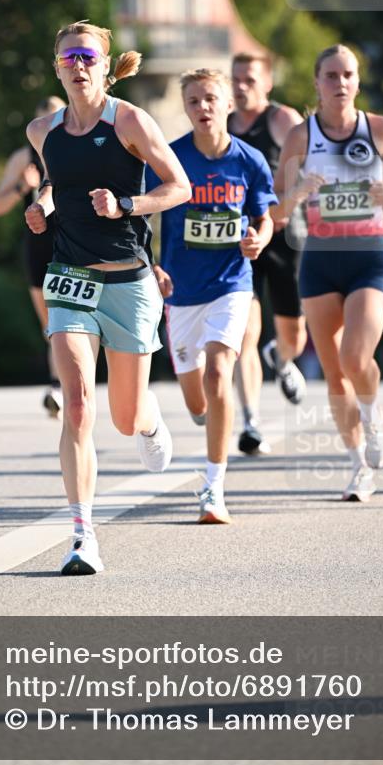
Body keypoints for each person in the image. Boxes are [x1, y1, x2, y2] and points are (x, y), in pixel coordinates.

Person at [25, 20, 191, 575]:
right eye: (69, 57)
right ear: (57, 68)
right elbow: (57, 180)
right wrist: (43, 206)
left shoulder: (130, 121)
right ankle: (82, 536)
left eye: (88, 57)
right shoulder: (41, 131)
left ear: (104, 65)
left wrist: (126, 205)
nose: (78, 65)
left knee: (124, 417)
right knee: (76, 405)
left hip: (128, 282)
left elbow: (179, 186)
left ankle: (149, 420)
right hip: (69, 276)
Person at [274, 44, 383, 502]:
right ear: (317, 83)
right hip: (319, 261)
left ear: (358, 82)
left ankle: (374, 417)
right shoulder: (301, 136)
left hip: (368, 256)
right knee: (336, 375)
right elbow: (276, 210)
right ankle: (359, 467)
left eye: (348, 74)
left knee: (356, 358)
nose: (340, 82)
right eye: (331, 75)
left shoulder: (379, 128)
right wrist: (299, 191)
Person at [148, 69, 276, 524]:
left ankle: (213, 487)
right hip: (181, 290)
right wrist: (152, 265)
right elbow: (141, 216)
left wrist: (259, 238)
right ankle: (200, 415)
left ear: (228, 105)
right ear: (185, 108)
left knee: (220, 372)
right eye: (193, 101)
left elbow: (264, 217)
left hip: (231, 283)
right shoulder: (171, 158)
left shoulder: (250, 160)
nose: (203, 107)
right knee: (197, 401)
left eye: (210, 99)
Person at [229, 52, 307, 455]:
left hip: (284, 236)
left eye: (249, 79)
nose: (241, 86)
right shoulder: (222, 124)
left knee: (293, 333)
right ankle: (250, 423)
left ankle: (283, 357)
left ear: (268, 83)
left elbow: (311, 169)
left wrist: (285, 204)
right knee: (244, 333)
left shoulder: (281, 120)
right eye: (236, 79)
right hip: (240, 239)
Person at [0, 96, 64, 418]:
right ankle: (58, 387)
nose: (49, 130)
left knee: (69, 320)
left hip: (74, 245)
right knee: (51, 324)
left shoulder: (78, 149)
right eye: (43, 124)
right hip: (38, 246)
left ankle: (61, 387)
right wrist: (24, 186)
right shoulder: (24, 158)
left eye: (56, 121)